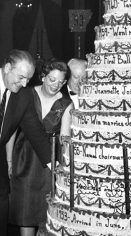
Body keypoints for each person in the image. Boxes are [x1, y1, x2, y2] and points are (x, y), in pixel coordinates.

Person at [9, 58, 72, 236]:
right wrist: (8, 160)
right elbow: (11, 130)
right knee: (25, 210)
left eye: (61, 82)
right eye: (52, 79)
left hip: (50, 158)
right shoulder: (25, 94)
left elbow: (65, 138)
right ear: (43, 77)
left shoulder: (66, 104)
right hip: (24, 157)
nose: (56, 85)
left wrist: (64, 168)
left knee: (46, 210)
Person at [0, 49, 51, 235]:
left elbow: (36, 133)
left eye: (28, 79)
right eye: (21, 77)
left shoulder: (24, 95)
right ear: (7, 68)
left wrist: (55, 165)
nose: (24, 84)